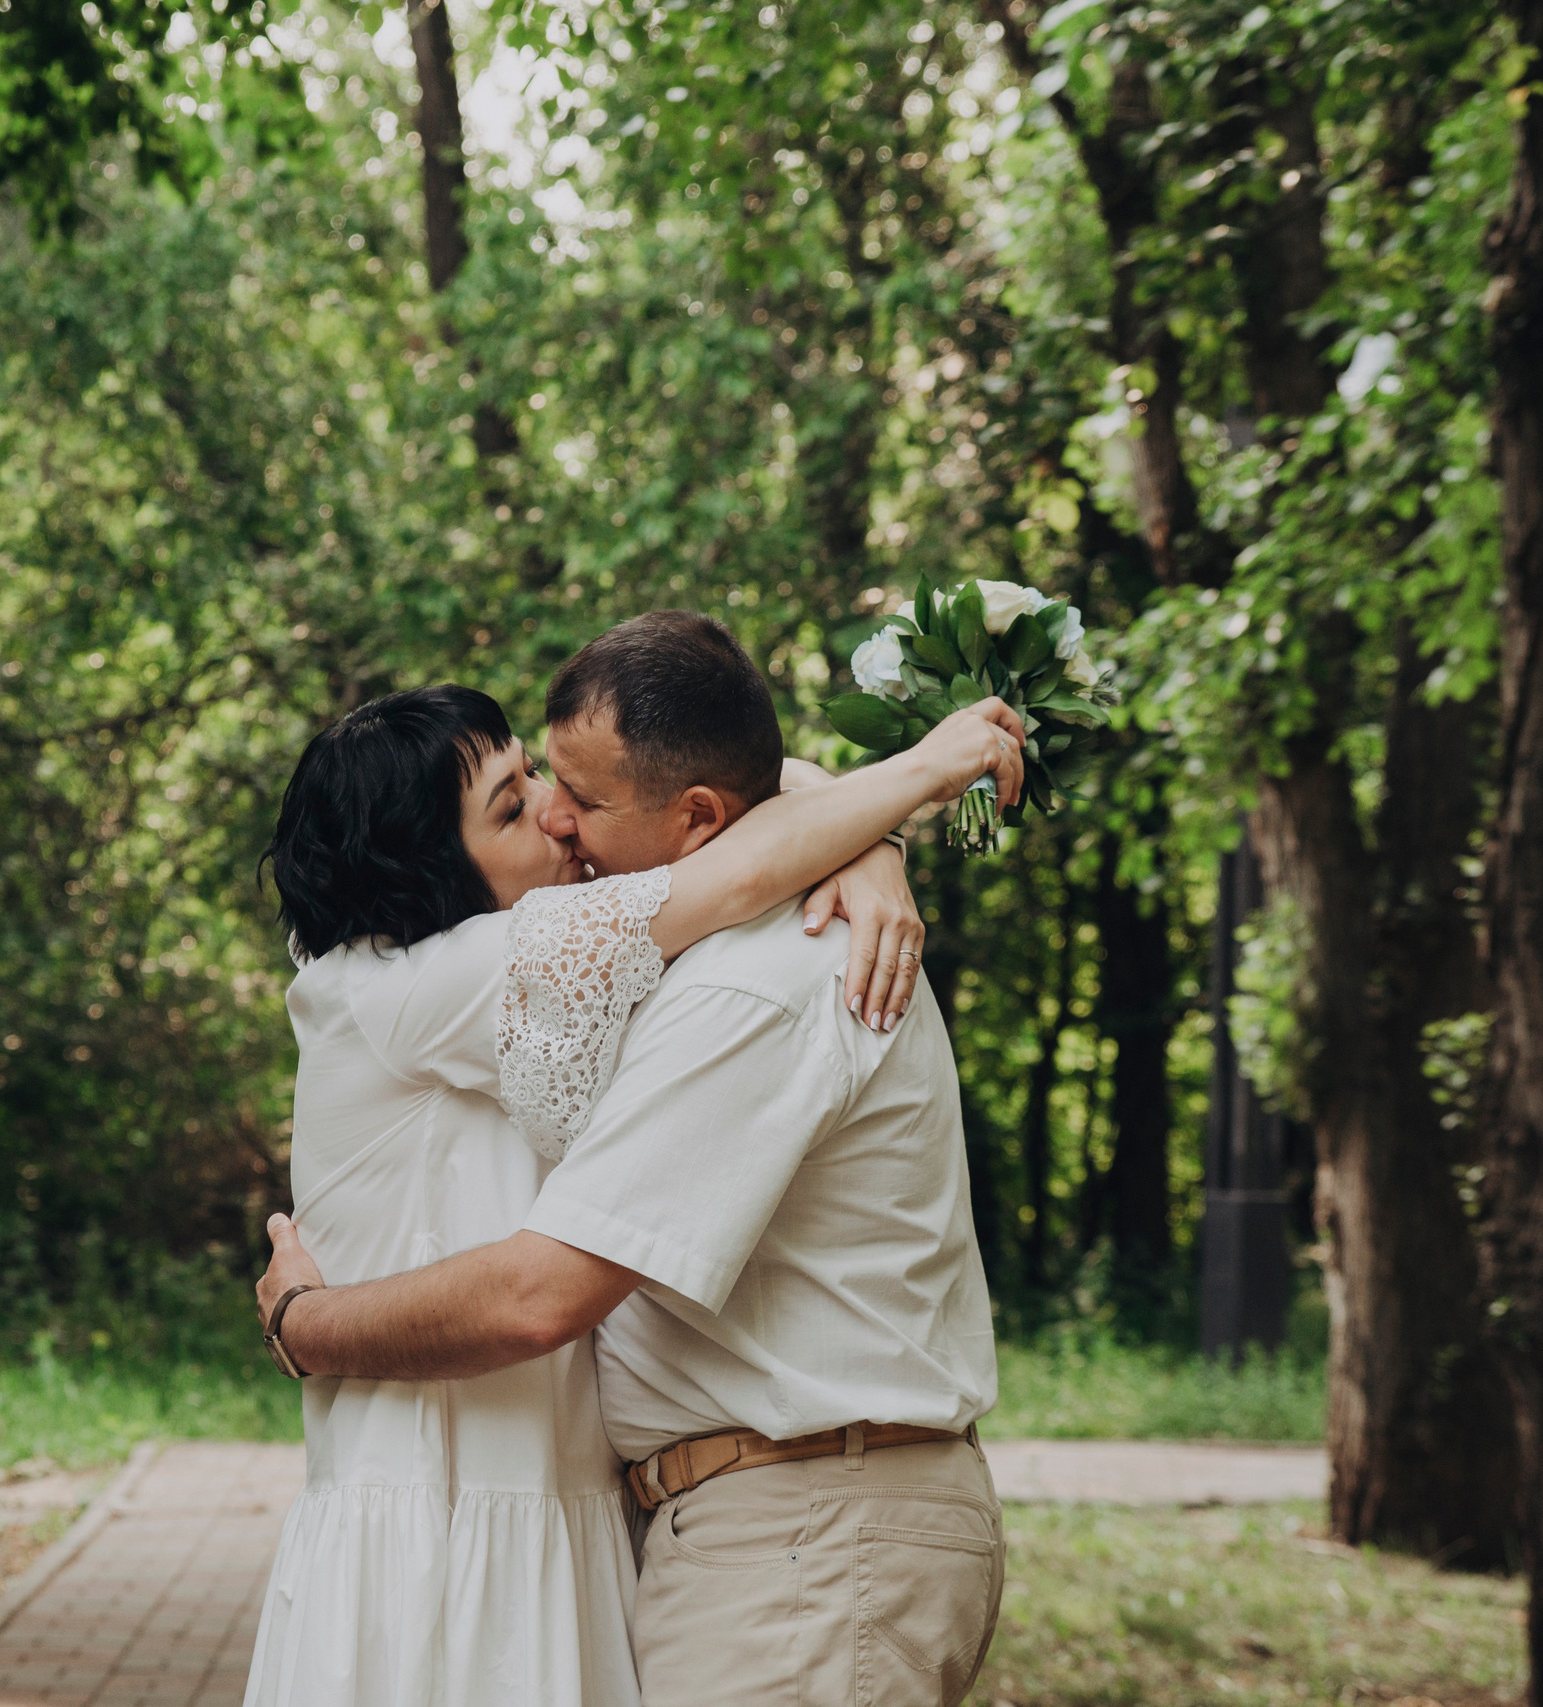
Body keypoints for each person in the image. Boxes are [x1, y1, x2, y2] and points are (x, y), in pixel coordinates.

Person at [245, 641, 1023, 1707]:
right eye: (517, 806)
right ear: (430, 872)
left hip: (651, 1519)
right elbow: (739, 851)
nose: (556, 818)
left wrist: (871, 836)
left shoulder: (682, 974)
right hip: (447, 1514)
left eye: (558, 790)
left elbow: (746, 821)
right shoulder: (423, 981)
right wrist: (905, 791)